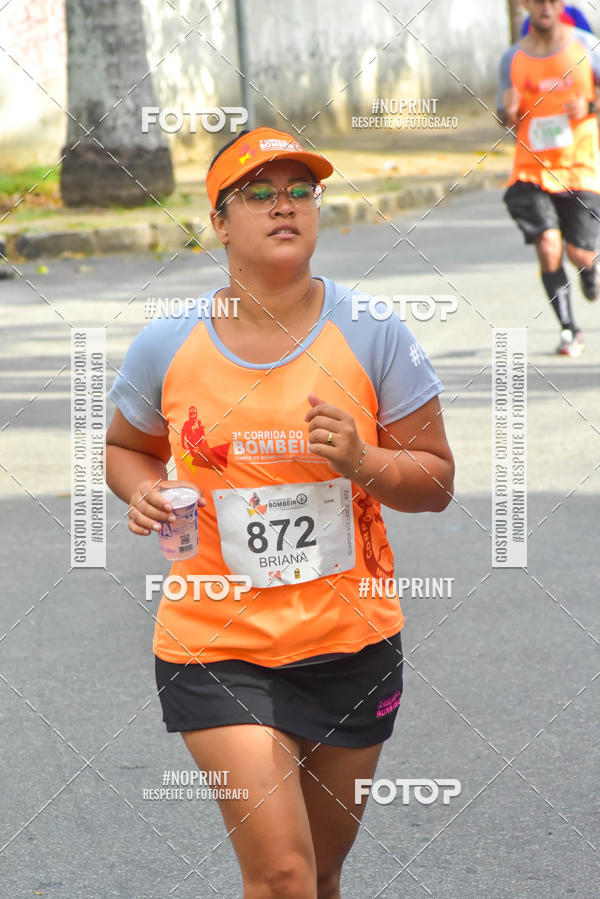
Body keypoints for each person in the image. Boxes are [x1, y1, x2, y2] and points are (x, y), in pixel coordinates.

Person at [106, 126, 454, 898]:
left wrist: (364, 462)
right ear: (220, 221)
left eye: (300, 190)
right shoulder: (167, 342)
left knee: (323, 872)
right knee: (283, 872)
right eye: (257, 193)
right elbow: (126, 447)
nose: (283, 205)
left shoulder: (374, 332)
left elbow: (434, 480)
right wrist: (140, 489)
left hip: (350, 641)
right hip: (215, 642)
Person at [498, 0, 600, 357]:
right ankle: (570, 329)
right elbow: (504, 117)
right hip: (532, 169)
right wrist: (507, 111)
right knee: (548, 245)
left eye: (552, 1)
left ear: (561, 5)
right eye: (538, 1)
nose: (545, 7)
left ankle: (590, 266)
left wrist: (588, 106)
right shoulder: (512, 58)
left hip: (580, 166)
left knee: (579, 251)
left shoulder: (586, 46)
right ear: (526, 5)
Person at [521, 2, 592, 35]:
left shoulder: (573, 15)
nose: (546, 7)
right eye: (540, 1)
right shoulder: (529, 23)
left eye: (552, 1)